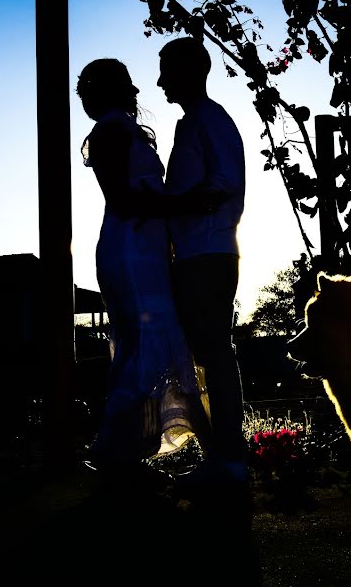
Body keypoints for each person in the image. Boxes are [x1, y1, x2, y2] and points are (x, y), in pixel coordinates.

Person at [75, 58, 221, 488]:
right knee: (145, 342)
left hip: (147, 250)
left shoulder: (119, 128)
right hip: (129, 248)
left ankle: (131, 451)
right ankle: (125, 451)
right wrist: (186, 204)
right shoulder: (109, 131)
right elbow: (122, 199)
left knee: (156, 341)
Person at [157, 37, 249, 487]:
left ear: (190, 72)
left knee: (214, 354)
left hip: (208, 254)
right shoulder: (194, 122)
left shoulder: (210, 120)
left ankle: (229, 459)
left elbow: (225, 184)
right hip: (196, 254)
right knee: (205, 355)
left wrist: (168, 206)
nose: (159, 83)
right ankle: (222, 455)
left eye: (166, 72)